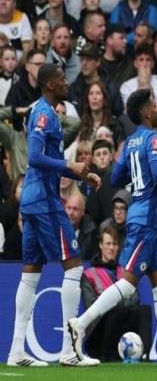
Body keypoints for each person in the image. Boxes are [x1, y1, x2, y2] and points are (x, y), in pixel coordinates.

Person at [68, 89, 157, 367]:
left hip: (142, 217)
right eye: (154, 105)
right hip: (146, 221)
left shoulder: (130, 142)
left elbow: (116, 177)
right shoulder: (153, 138)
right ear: (146, 112)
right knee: (128, 284)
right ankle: (81, 323)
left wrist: (137, 170)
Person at [7, 63, 101, 367]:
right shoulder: (44, 114)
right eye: (61, 79)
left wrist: (81, 174)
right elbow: (34, 157)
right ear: (49, 84)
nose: (66, 83)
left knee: (31, 273)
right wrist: (69, 165)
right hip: (45, 202)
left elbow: (48, 160)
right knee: (73, 267)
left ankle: (16, 351)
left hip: (32, 201)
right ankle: (69, 351)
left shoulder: (46, 113)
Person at [81, 226, 152, 362]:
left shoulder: (125, 272)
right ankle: (105, 355)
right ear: (100, 245)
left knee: (144, 310)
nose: (111, 248)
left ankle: (145, 355)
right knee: (115, 310)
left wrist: (117, 303)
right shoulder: (89, 274)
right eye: (108, 243)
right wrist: (119, 302)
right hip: (99, 333)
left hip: (123, 325)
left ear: (119, 247)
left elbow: (136, 299)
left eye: (114, 244)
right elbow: (91, 306)